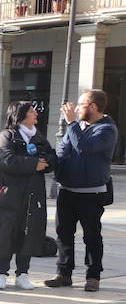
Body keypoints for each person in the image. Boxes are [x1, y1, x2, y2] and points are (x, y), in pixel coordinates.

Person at [44, 90, 117, 292]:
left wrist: (71, 123)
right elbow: (63, 150)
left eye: (81, 104)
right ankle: (64, 274)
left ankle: (93, 276)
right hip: (67, 191)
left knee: (91, 236)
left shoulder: (107, 130)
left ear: (93, 107)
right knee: (64, 234)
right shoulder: (76, 128)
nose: (76, 109)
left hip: (91, 193)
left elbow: (84, 148)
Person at [0, 101, 54, 290]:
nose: (36, 115)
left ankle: (23, 274)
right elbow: (5, 160)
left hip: (34, 194)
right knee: (5, 231)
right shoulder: (6, 136)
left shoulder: (39, 138)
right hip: (10, 193)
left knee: (30, 231)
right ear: (21, 114)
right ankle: (1, 273)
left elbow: (52, 157)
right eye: (32, 112)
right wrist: (34, 165)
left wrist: (46, 162)